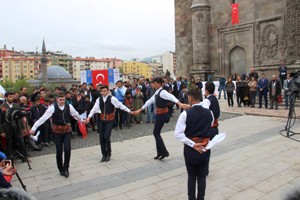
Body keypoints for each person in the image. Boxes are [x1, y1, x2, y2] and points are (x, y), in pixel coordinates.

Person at [29, 92, 83, 178]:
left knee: (67, 149)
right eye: (60, 100)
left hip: (67, 131)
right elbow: (42, 119)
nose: (62, 101)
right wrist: (33, 129)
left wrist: (82, 120)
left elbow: (75, 114)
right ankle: (60, 168)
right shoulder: (52, 108)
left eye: (63, 100)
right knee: (59, 150)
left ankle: (66, 168)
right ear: (57, 99)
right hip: (57, 132)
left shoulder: (69, 106)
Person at [133, 77, 189, 160]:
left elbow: (171, 97)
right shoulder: (157, 93)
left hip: (163, 115)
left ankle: (164, 152)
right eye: (153, 83)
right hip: (160, 114)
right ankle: (160, 152)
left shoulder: (163, 92)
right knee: (156, 133)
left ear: (159, 84)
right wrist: (140, 109)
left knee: (156, 133)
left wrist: (179, 103)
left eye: (154, 83)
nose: (153, 85)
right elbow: (149, 101)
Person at [174, 88, 214, 200]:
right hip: (205, 148)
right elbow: (209, 126)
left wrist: (192, 143)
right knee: (202, 177)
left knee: (191, 176)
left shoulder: (185, 114)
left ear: (190, 98)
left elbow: (178, 134)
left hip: (191, 149)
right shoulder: (209, 113)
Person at [85, 85, 134, 162]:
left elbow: (120, 105)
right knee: (101, 138)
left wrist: (129, 111)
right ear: (100, 92)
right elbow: (94, 109)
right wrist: (89, 117)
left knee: (106, 136)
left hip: (110, 120)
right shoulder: (99, 99)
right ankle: (104, 154)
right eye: (102, 91)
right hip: (101, 120)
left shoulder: (112, 99)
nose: (103, 92)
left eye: (105, 91)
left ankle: (108, 153)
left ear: (108, 91)